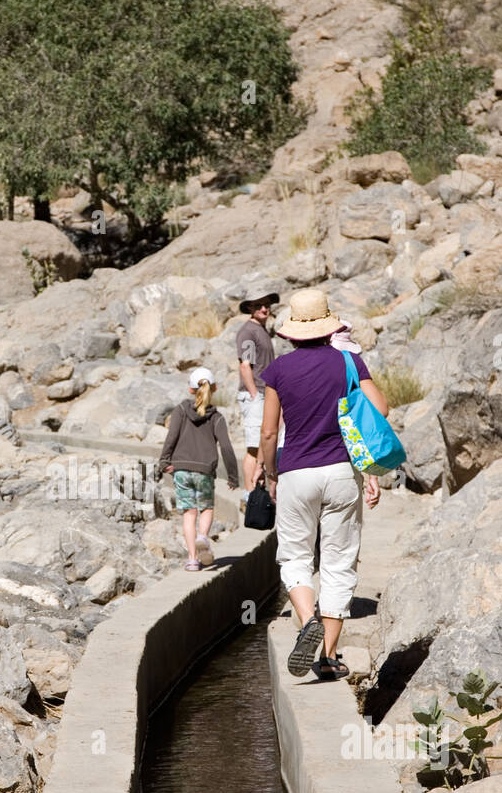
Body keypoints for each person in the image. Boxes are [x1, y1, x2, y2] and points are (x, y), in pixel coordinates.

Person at [256, 288, 386, 680]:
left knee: (295, 556)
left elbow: (267, 432)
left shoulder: (278, 370)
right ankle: (327, 657)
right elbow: (379, 408)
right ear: (329, 326)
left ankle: (306, 617)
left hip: (297, 472)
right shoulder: (349, 361)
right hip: (343, 472)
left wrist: (271, 473)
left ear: (291, 331)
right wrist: (370, 468)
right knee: (338, 562)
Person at [160, 366, 239, 572]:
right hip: (204, 470)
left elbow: (171, 437)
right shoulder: (217, 417)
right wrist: (233, 476)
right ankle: (203, 536)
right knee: (206, 508)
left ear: (190, 390)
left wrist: (164, 461)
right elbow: (227, 447)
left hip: (182, 469)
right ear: (214, 388)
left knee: (189, 513)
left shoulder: (180, 410)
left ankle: (192, 559)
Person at [236, 286, 280, 505]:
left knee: (263, 443)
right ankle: (250, 493)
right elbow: (246, 366)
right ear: (250, 308)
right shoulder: (249, 332)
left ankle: (258, 492)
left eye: (267, 304)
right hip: (257, 394)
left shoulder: (262, 330)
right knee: (254, 447)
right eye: (258, 305)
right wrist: (254, 395)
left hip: (265, 392)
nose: (264, 308)